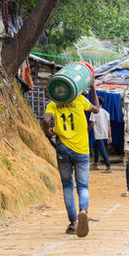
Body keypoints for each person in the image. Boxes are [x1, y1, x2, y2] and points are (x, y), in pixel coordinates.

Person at [43, 85, 100, 237]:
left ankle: (74, 222)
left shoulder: (53, 104)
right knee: (83, 185)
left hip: (63, 149)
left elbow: (46, 119)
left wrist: (48, 131)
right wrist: (93, 89)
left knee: (67, 185)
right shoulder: (80, 100)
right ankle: (83, 210)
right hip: (81, 150)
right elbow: (96, 109)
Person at [89, 103, 112, 172]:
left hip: (98, 134)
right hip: (104, 133)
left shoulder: (94, 112)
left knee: (102, 150)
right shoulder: (106, 112)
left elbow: (92, 124)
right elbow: (109, 125)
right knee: (96, 146)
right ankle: (96, 163)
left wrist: (87, 130)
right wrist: (109, 136)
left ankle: (108, 166)